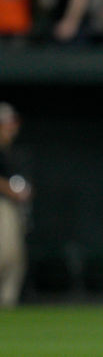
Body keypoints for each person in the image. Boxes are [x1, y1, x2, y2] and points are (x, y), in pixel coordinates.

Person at [0, 102, 31, 307]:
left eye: (13, 122)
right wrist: (9, 189)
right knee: (6, 253)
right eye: (7, 123)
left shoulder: (13, 151)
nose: (12, 126)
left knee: (15, 257)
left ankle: (7, 301)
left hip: (11, 207)